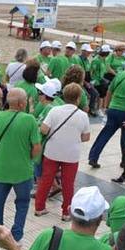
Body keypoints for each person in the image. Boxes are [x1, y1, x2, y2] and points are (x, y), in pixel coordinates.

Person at [0, 88, 42, 241]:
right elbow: (36, 147)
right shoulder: (29, 120)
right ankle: (16, 235)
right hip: (23, 172)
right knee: (22, 203)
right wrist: (27, 158)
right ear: (22, 104)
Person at [34, 83, 91, 220]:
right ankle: (66, 212)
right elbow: (86, 137)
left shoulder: (54, 111)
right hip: (71, 154)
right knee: (68, 183)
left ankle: (39, 208)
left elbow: (43, 129)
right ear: (78, 98)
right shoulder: (83, 116)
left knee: (46, 179)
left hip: (52, 152)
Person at [88, 55, 125, 168]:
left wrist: (107, 106)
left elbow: (109, 90)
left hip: (113, 109)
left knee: (105, 134)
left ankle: (93, 157)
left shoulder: (119, 75)